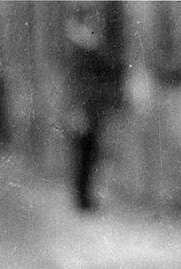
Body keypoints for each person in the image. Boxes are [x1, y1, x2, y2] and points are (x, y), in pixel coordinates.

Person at [64, 4, 123, 212]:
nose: (94, 25)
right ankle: (83, 200)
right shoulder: (79, 48)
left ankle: (85, 198)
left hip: (92, 107)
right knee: (84, 153)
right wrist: (76, 110)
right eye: (90, 21)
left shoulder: (89, 46)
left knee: (90, 153)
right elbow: (75, 82)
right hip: (84, 108)